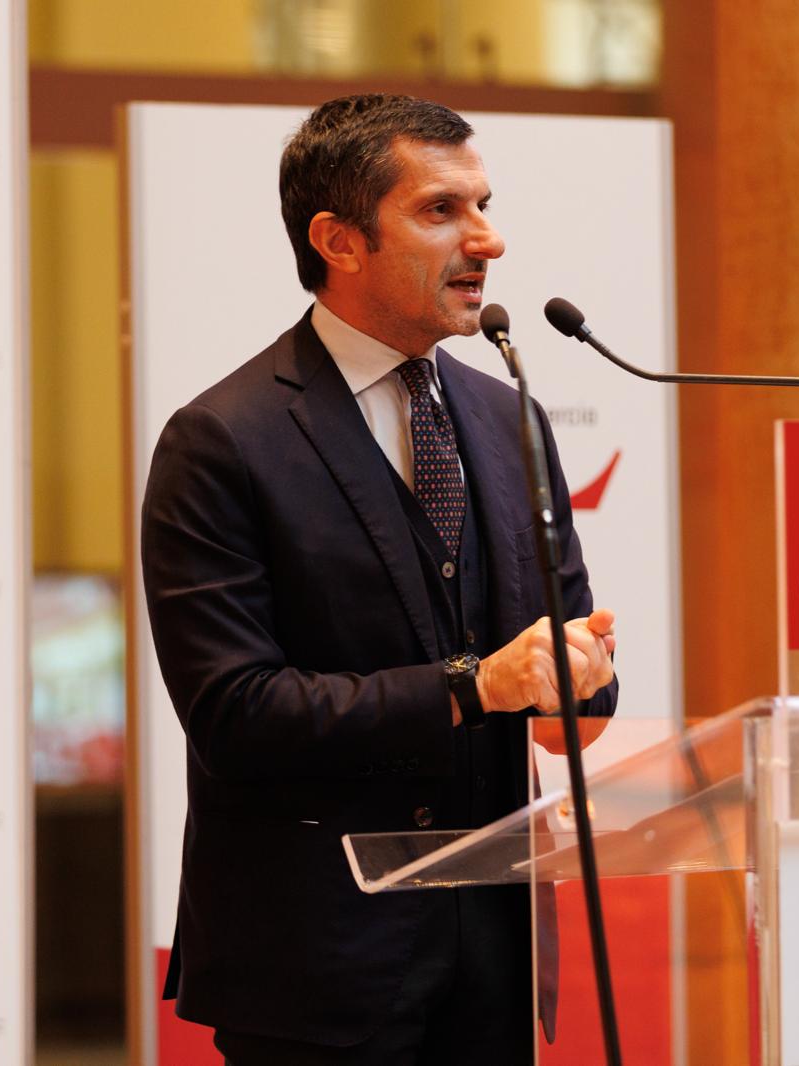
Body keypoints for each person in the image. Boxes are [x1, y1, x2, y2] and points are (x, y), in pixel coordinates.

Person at [141, 93, 618, 1065]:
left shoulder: (511, 417)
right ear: (338, 241)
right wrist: (474, 688)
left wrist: (580, 673)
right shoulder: (222, 440)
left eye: (483, 205)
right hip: (315, 970)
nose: (486, 240)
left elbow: (568, 658)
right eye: (441, 210)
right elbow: (235, 713)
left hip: (494, 960)